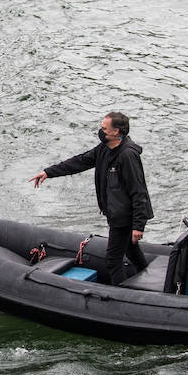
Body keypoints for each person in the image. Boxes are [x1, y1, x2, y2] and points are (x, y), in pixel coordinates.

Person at [28, 112, 154, 285]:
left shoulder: (127, 156)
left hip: (124, 216)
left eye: (104, 128)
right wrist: (49, 172)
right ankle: (148, 279)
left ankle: (124, 298)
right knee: (131, 250)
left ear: (116, 131)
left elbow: (139, 191)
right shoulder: (104, 149)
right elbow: (79, 162)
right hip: (115, 212)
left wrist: (138, 226)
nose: (100, 131)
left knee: (113, 260)